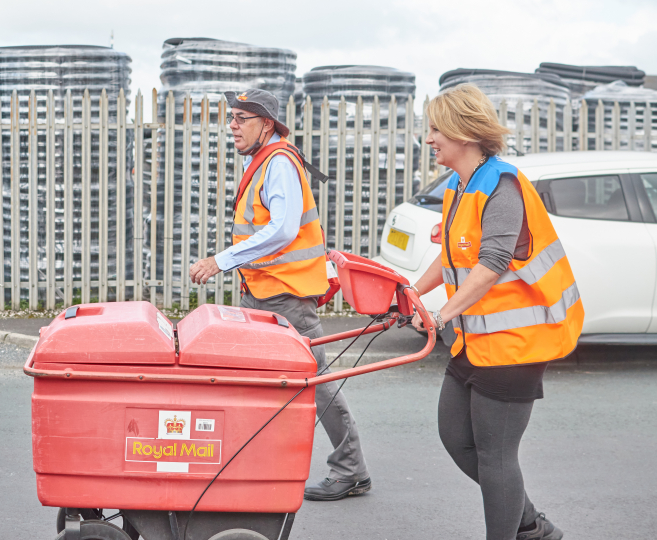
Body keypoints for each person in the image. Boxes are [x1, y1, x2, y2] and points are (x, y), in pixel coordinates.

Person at [410, 83, 584, 540]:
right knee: (456, 439)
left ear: (462, 132)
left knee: (496, 456)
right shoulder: (459, 184)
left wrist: (441, 313)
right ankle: (530, 524)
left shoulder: (502, 186)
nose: (429, 139)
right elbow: (451, 257)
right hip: (475, 342)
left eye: (434, 130)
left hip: (514, 347)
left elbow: (491, 265)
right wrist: (412, 291)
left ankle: (519, 532)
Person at [189, 88, 371, 501]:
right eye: (231, 118)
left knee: (316, 383)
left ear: (266, 124)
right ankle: (258, 461)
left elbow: (284, 230)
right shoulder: (265, 160)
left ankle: (351, 470)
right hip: (265, 292)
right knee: (263, 382)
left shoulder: (279, 163)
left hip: (286, 297)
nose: (231, 126)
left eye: (241, 119)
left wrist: (222, 259)